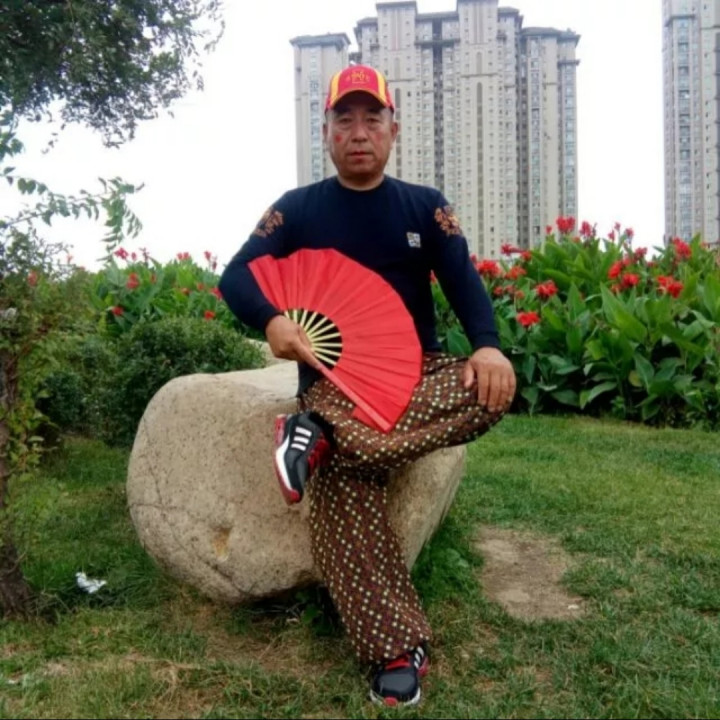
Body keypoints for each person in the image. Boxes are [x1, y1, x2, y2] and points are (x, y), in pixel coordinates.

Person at [219, 64, 516, 707]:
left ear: (393, 130)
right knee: (342, 493)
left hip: (416, 382)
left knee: (490, 386)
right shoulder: (297, 208)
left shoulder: (424, 206)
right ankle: (394, 651)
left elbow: (463, 281)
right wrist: (271, 320)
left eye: (372, 118)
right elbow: (235, 275)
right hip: (334, 385)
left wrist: (488, 344)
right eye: (345, 119)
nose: (359, 132)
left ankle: (319, 438)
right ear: (326, 131)